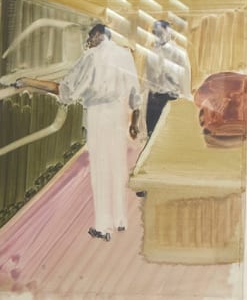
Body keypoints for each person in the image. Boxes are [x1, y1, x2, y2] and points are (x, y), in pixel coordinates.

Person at [15, 24, 141, 242]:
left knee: (101, 168)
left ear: (97, 36)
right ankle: (120, 219)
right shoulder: (124, 55)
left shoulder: (91, 57)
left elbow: (65, 91)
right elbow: (135, 93)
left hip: (98, 115)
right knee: (117, 165)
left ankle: (103, 226)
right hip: (118, 114)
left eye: (90, 37)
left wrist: (28, 82)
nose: (88, 42)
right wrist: (135, 121)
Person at [144, 19, 191, 135]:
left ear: (169, 32)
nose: (157, 36)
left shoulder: (180, 53)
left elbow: (185, 80)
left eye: (160, 33)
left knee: (170, 134)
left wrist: (184, 101)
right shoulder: (150, 53)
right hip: (153, 100)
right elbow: (148, 79)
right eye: (155, 33)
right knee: (151, 132)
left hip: (171, 99)